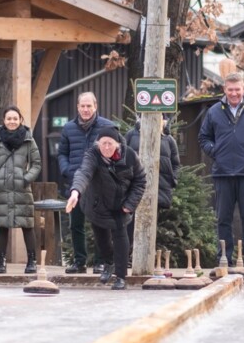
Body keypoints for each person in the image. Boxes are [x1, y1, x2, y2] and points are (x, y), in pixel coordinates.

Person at [198, 72, 244, 266]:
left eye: (237, 90)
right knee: (223, 218)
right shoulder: (214, 111)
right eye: (230, 90)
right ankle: (224, 257)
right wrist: (215, 152)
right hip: (222, 172)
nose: (234, 94)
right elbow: (203, 137)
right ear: (224, 89)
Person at [65, 126, 146, 290]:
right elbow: (84, 173)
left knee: (121, 238)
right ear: (98, 144)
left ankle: (121, 276)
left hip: (121, 204)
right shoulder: (93, 155)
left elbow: (140, 181)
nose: (106, 148)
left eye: (109, 144)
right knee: (102, 239)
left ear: (117, 144)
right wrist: (75, 192)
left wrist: (129, 205)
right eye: (103, 144)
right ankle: (108, 264)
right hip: (97, 203)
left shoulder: (129, 156)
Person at [57, 92, 116, 273]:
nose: (85, 109)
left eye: (89, 106)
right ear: (77, 107)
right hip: (75, 184)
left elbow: (115, 152)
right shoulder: (68, 128)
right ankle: (79, 262)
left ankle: (100, 262)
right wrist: (67, 170)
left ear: (95, 106)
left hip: (99, 185)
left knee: (99, 224)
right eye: (82, 106)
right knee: (76, 224)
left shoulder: (107, 126)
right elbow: (62, 154)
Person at [0, 105, 42, 275]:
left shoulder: (28, 139)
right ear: (4, 120)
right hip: (1, 189)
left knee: (27, 225)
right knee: (2, 225)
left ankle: (32, 261)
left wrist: (26, 178)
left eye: (15, 118)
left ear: (20, 120)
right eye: (9, 118)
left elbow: (36, 164)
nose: (12, 121)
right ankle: (1, 262)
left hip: (22, 189)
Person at [124, 116, 181, 253]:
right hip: (133, 187)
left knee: (150, 223)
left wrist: (172, 180)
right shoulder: (131, 135)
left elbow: (176, 164)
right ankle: (127, 254)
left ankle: (145, 255)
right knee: (129, 223)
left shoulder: (169, 140)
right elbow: (123, 157)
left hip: (158, 189)